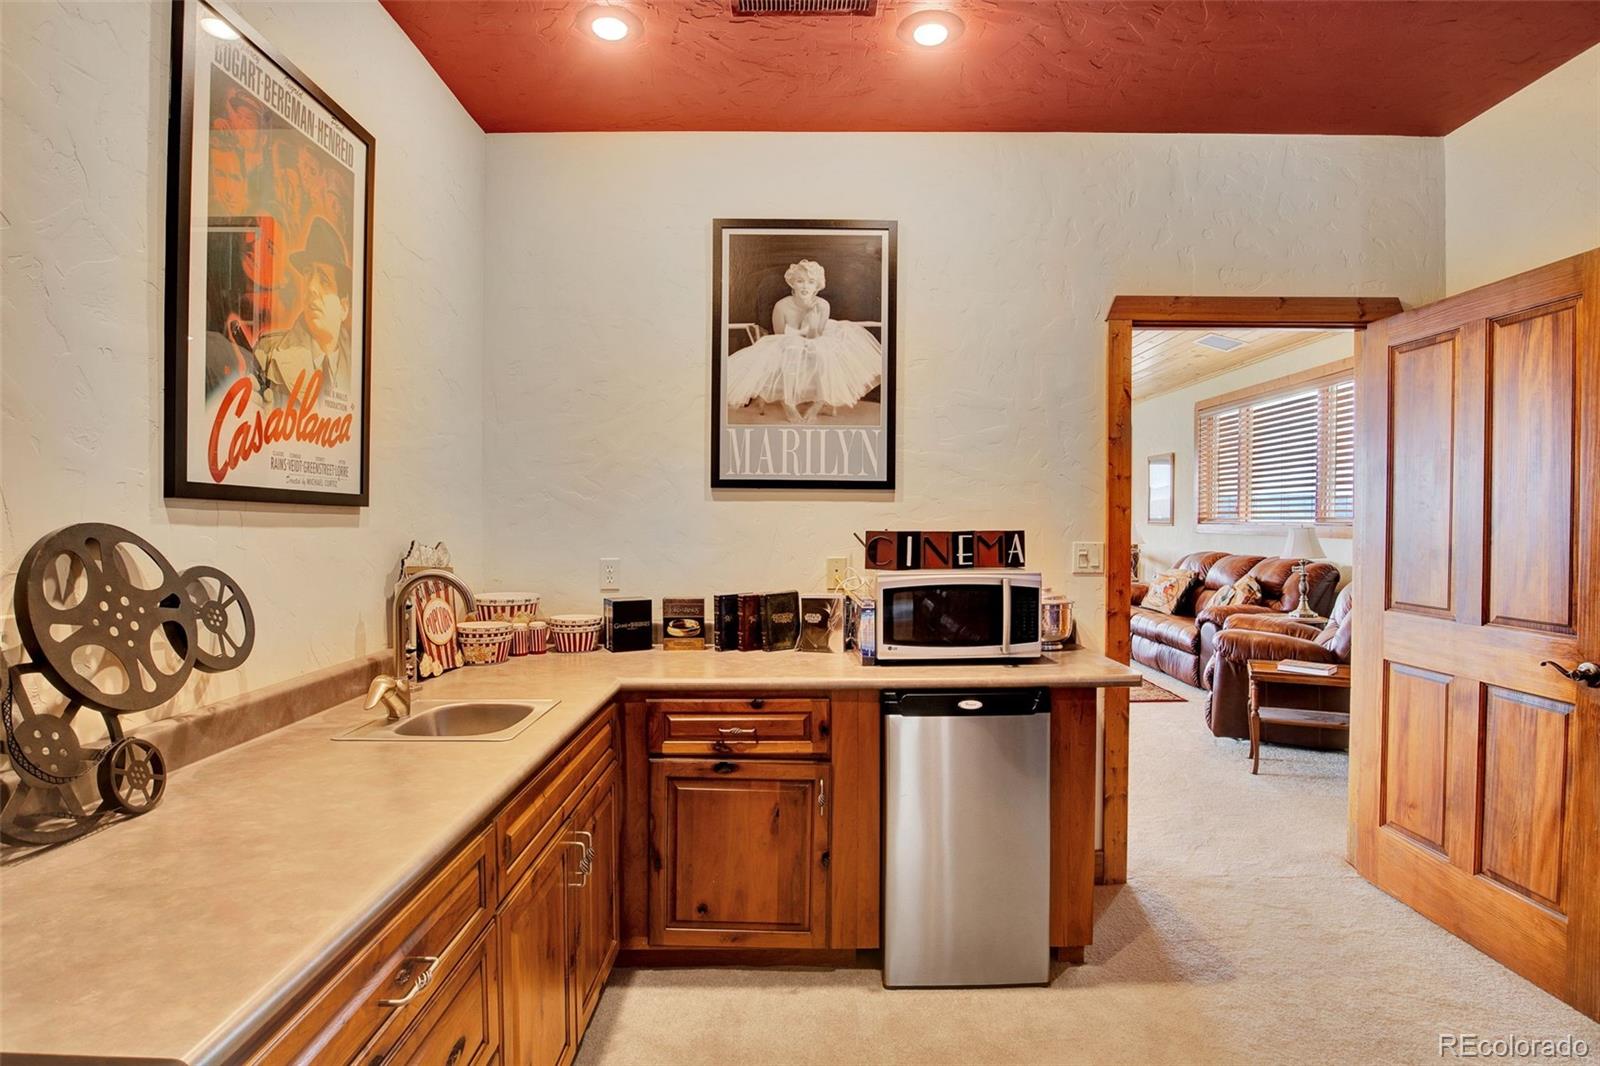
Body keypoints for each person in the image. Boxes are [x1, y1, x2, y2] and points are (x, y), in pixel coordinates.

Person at [724, 259, 882, 423]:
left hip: (815, 340)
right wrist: (800, 334)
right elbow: (780, 338)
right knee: (792, 350)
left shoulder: (823, 305)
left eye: (811, 282)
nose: (805, 286)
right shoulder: (782, 306)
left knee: (824, 355)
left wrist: (811, 322)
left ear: (818, 286)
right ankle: (788, 404)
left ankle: (819, 405)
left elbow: (815, 337)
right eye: (800, 281)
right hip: (787, 344)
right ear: (792, 284)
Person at [254, 216, 353, 403]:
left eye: (324, 280)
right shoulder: (267, 354)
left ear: (343, 307)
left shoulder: (361, 365)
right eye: (308, 274)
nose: (311, 287)